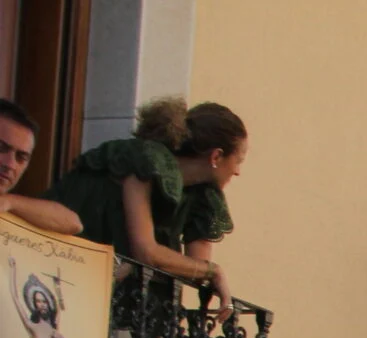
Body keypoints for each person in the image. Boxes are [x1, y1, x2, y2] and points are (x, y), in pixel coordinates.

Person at [38, 97, 243, 309]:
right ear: (216, 157)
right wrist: (213, 271)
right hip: (59, 265)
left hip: (116, 298)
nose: (238, 171)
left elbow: (196, 270)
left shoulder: (203, 195)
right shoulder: (144, 161)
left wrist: (207, 272)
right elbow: (145, 251)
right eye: (239, 160)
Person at [0, 99, 81, 234]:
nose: (10, 164)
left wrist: (9, 202)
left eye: (21, 157)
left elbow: (73, 223)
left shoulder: (11, 206)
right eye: (1, 148)